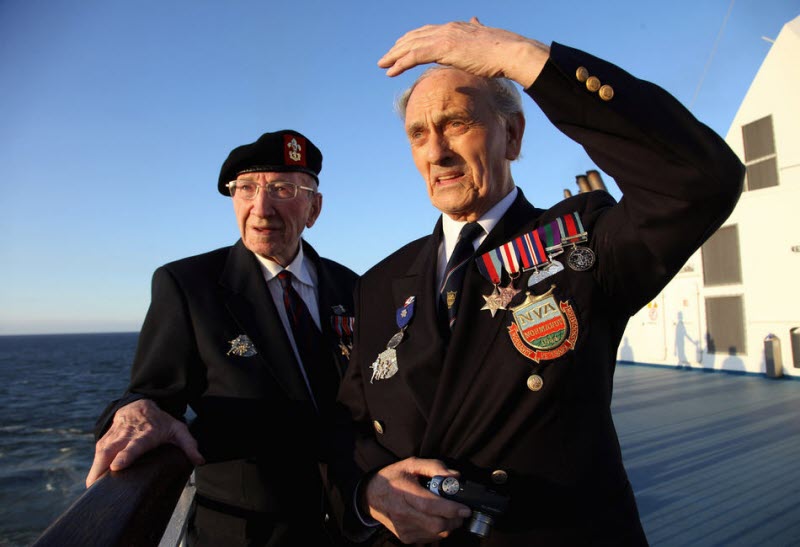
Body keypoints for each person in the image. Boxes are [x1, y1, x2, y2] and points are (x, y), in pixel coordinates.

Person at [334, 19, 744, 545]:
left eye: (457, 123)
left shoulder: (581, 244)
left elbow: (700, 182)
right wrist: (369, 493)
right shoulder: (380, 283)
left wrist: (526, 59)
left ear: (513, 135)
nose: (436, 152)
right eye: (419, 134)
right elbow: (350, 426)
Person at [87, 130, 358, 546]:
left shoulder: (353, 287)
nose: (261, 208)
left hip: (352, 522)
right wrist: (136, 409)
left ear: (314, 208)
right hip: (249, 532)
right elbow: (153, 394)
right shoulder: (189, 285)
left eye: (282, 189)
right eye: (246, 189)